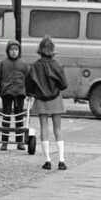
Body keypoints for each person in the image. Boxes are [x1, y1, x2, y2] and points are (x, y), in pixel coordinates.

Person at [25, 35, 68, 170]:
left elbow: (29, 84)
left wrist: (32, 94)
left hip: (41, 99)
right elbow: (64, 85)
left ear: (40, 49)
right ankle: (61, 160)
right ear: (53, 50)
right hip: (55, 98)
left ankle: (47, 160)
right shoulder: (58, 65)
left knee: (44, 128)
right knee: (58, 129)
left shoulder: (34, 66)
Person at [0, 40, 29, 151]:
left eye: (16, 50)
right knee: (6, 117)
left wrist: (30, 93)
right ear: (8, 51)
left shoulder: (24, 64)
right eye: (11, 50)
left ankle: (20, 141)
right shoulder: (3, 64)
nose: (14, 52)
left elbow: (28, 80)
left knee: (19, 117)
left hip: (20, 94)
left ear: (19, 51)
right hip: (7, 93)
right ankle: (4, 141)